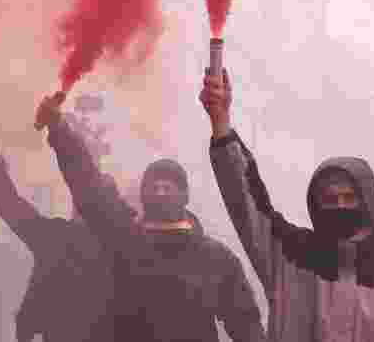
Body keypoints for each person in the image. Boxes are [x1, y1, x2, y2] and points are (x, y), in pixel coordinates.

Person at [203, 68, 374, 341]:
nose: (340, 206)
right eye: (330, 199)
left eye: (349, 198)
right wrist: (220, 124)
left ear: (367, 203)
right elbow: (245, 200)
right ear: (316, 204)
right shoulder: (287, 256)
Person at [36, 90, 265, 342]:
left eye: (170, 184)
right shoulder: (125, 240)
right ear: (143, 196)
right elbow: (90, 186)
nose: (160, 189)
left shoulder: (216, 259)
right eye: (153, 185)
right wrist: (59, 129)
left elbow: (247, 327)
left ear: (185, 196)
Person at [0, 102, 114, 342]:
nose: (88, 203)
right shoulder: (57, 238)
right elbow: (10, 203)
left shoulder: (123, 246)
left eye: (98, 197)